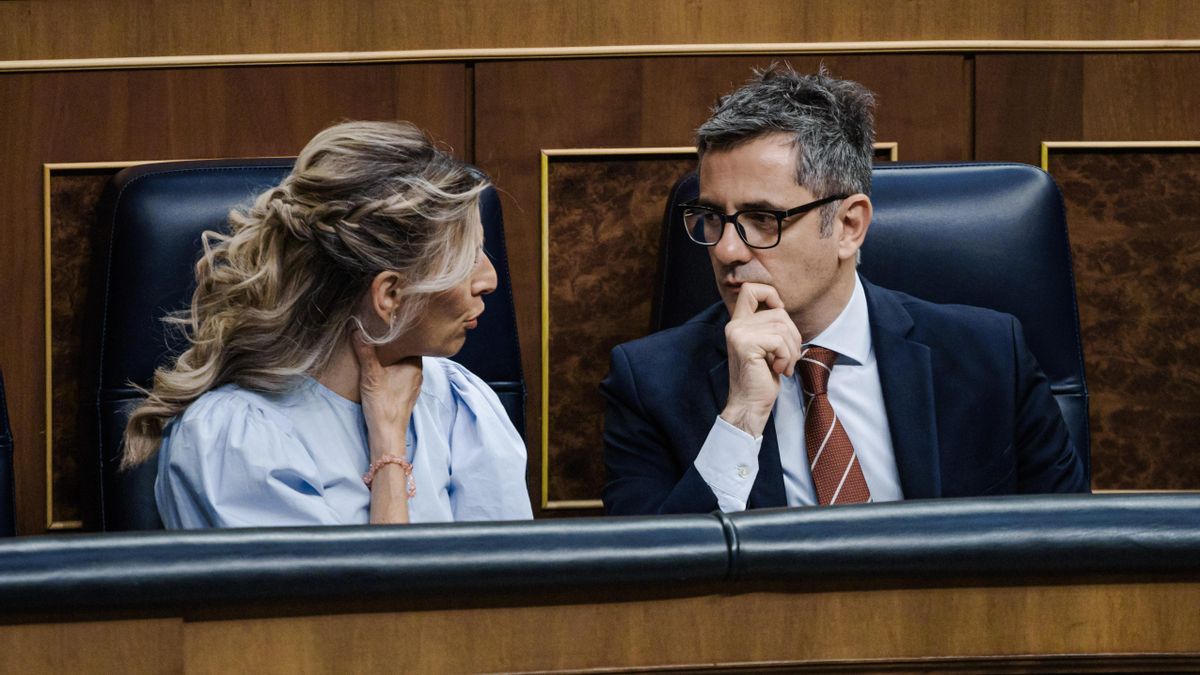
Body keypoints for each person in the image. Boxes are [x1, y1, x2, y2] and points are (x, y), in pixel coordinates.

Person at [601, 65, 1088, 516]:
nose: (727, 249)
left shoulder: (989, 357)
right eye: (712, 218)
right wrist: (742, 416)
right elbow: (646, 585)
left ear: (850, 225)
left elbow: (1074, 548)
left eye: (761, 219)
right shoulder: (649, 384)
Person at [122, 121, 533, 527]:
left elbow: (511, 587)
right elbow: (373, 596)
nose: (490, 279)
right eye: (467, 259)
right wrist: (389, 452)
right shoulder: (233, 441)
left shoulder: (460, 401)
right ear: (389, 295)